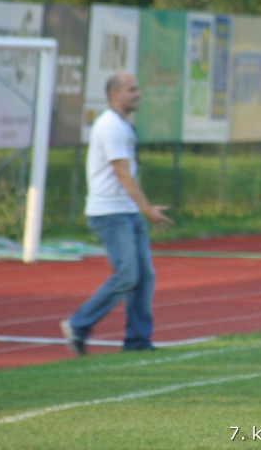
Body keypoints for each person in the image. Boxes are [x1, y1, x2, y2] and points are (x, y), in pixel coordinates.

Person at [60, 73, 173, 355]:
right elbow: (122, 172)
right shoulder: (111, 125)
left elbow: (128, 174)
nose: (139, 94)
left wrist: (140, 208)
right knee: (127, 275)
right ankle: (78, 324)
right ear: (114, 94)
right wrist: (148, 210)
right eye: (132, 90)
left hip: (126, 211)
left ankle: (137, 341)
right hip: (109, 213)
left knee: (143, 277)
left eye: (138, 88)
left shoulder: (122, 124)